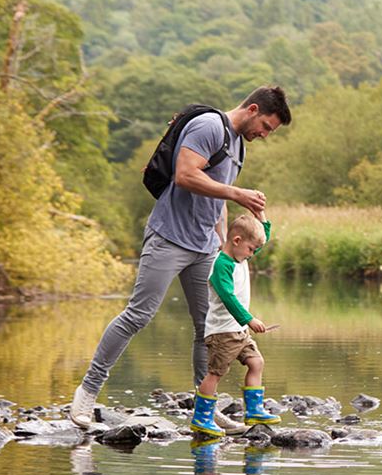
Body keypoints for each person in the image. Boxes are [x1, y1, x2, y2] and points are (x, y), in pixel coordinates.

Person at [70, 86, 292, 430]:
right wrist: (237, 193)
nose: (264, 135)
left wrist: (221, 242)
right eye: (265, 126)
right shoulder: (209, 126)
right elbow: (186, 175)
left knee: (208, 327)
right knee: (138, 315)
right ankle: (86, 395)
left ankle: (205, 409)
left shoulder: (237, 148)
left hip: (205, 246)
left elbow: (216, 200)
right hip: (169, 237)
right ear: (252, 109)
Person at [189, 211, 281, 437]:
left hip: (238, 331)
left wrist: (261, 216)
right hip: (222, 332)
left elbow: (261, 239)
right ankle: (202, 418)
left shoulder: (241, 256)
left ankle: (254, 410)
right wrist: (249, 319)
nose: (253, 254)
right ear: (236, 241)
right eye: (251, 249)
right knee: (215, 373)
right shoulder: (222, 265)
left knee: (256, 362)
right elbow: (228, 297)